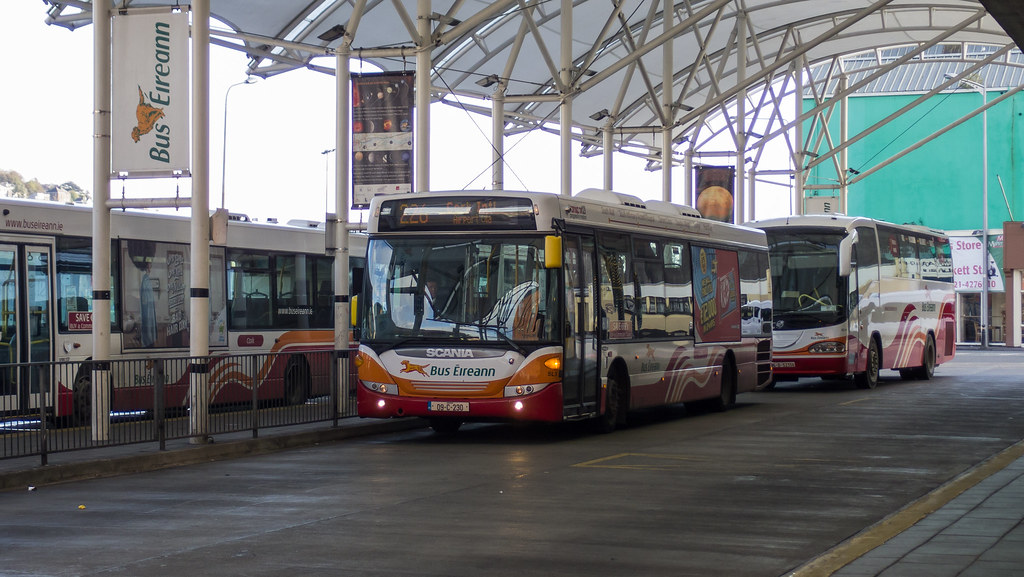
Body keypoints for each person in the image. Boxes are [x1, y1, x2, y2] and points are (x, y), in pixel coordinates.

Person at [140, 261, 157, 347]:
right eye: (150, 265)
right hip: (147, 311)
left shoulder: (146, 279)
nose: (151, 268)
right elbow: (145, 299)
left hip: (149, 311)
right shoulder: (145, 279)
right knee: (149, 332)